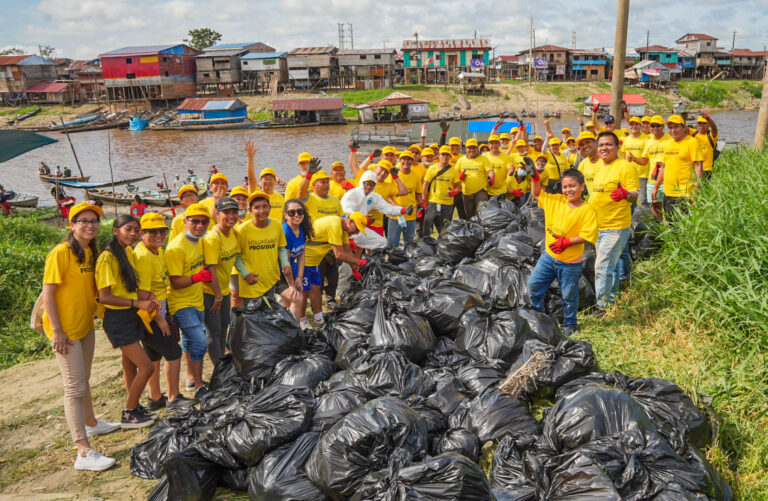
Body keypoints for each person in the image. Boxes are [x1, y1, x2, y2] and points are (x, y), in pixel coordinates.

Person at [43, 202, 119, 471]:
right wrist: (58, 332)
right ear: (71, 224)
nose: (90, 225)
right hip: (65, 331)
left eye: (94, 221)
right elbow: (48, 294)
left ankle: (92, 423)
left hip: (85, 325)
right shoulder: (60, 253)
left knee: (84, 379)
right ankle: (83, 452)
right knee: (74, 387)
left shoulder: (90, 252)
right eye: (83, 221)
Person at [95, 215, 159, 429]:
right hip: (117, 318)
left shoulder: (128, 252)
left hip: (129, 315)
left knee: (130, 364)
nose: (132, 234)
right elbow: (104, 297)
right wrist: (136, 303)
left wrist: (146, 299)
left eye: (136, 230)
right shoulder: (107, 257)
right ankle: (129, 413)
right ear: (115, 230)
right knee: (147, 366)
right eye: (128, 229)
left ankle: (135, 405)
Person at [134, 213, 194, 411]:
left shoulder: (155, 251)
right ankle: (173, 397)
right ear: (142, 233)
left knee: (154, 356)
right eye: (152, 232)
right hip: (150, 315)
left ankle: (155, 397)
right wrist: (160, 319)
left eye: (162, 231)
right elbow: (142, 295)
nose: (159, 235)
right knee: (173, 353)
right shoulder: (143, 257)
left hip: (158, 309)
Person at [528, 167, 598, 335]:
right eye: (565, 187)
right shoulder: (556, 201)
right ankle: (538, 315)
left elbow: (588, 235)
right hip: (549, 257)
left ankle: (570, 326)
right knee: (534, 285)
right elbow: (537, 194)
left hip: (570, 263)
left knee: (569, 296)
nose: (568, 190)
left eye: (572, 186)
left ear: (582, 187)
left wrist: (567, 242)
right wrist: (534, 178)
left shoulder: (587, 210)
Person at [165, 203, 213, 399]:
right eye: (195, 221)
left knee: (188, 341)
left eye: (204, 222)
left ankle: (191, 378)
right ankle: (200, 385)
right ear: (185, 222)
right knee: (200, 342)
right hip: (180, 302)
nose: (200, 226)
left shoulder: (202, 241)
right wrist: (198, 278)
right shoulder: (176, 248)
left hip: (197, 299)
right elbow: (175, 282)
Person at [590, 132, 640, 311]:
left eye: (608, 145)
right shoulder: (599, 168)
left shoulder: (625, 167)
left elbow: (635, 194)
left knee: (602, 267)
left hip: (616, 227)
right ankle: (613, 298)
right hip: (599, 227)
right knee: (610, 266)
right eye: (601, 145)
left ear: (617, 147)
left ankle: (602, 307)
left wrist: (626, 194)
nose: (604, 148)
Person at [304, 213, 368, 324]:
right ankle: (301, 321)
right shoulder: (335, 225)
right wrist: (359, 261)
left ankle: (318, 318)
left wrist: (355, 270)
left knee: (316, 288)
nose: (357, 232)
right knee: (303, 293)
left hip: (315, 261)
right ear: (350, 221)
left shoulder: (343, 229)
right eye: (357, 228)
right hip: (304, 260)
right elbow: (339, 254)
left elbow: (347, 252)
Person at [200, 197, 240, 367]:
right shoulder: (213, 238)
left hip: (223, 290)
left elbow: (236, 258)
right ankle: (218, 368)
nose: (230, 216)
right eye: (226, 212)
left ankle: (222, 363)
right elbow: (210, 269)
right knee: (214, 331)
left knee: (225, 327)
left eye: (234, 212)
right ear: (217, 214)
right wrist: (217, 295)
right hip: (209, 291)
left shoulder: (233, 233)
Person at [235, 190, 291, 308]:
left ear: (270, 208)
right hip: (251, 282)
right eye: (257, 208)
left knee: (268, 314)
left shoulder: (277, 225)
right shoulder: (242, 230)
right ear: (250, 210)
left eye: (265, 206)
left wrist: (285, 263)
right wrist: (246, 274)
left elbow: (281, 248)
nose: (262, 211)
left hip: (270, 279)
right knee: (253, 319)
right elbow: (236, 256)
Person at [341, 169, 409, 250]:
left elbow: (388, 209)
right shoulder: (352, 194)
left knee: (382, 242)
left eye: (372, 184)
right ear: (362, 182)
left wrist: (402, 210)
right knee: (349, 253)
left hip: (361, 229)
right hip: (347, 228)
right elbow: (345, 211)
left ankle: (372, 260)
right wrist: (362, 219)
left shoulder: (374, 197)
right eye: (367, 183)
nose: (369, 187)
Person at [651, 115, 704, 215]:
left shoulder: (692, 142)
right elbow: (663, 167)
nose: (673, 130)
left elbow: (698, 166)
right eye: (670, 128)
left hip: (685, 193)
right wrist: (656, 187)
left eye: (676, 127)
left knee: (686, 227)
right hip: (668, 193)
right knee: (671, 225)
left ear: (683, 127)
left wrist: (697, 188)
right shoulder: (667, 144)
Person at [280, 199, 313, 328]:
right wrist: (292, 285)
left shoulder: (301, 228)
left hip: (292, 268)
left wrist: (299, 276)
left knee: (289, 303)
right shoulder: (286, 232)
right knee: (297, 298)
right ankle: (294, 333)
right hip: (280, 271)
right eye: (292, 212)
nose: (296, 215)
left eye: (299, 211)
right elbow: (285, 263)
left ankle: (286, 330)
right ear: (285, 215)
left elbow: (301, 254)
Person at [421, 145, 460, 238]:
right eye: (443, 154)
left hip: (447, 203)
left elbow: (458, 186)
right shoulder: (432, 168)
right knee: (427, 222)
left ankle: (443, 243)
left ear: (450, 157)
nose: (445, 157)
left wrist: (454, 192)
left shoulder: (453, 170)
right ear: (439, 156)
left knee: (445, 225)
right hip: (434, 201)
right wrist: (423, 198)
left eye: (447, 155)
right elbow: (425, 184)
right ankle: (426, 241)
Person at [387, 150, 422, 248]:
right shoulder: (393, 174)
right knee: (393, 243)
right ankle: (391, 261)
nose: (406, 161)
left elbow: (418, 193)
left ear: (413, 161)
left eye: (409, 159)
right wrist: (396, 207)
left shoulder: (416, 176)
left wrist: (422, 204)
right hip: (395, 215)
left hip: (410, 214)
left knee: (409, 242)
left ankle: (408, 261)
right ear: (400, 160)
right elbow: (387, 195)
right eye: (404, 159)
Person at [636, 115, 671, 207]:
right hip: (652, 180)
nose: (655, 128)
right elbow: (644, 161)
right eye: (653, 126)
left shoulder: (670, 139)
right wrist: (634, 158)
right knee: (654, 206)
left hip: (668, 179)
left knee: (668, 207)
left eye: (658, 126)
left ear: (663, 127)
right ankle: (657, 221)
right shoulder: (648, 142)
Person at [455, 138, 492, 219]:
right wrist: (459, 175)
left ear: (477, 148)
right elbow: (455, 173)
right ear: (465, 149)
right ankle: (472, 230)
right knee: (470, 216)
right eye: (469, 148)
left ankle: (483, 229)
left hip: (481, 191)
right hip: (467, 193)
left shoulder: (484, 159)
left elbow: (490, 170)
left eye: (474, 148)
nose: (472, 150)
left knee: (483, 213)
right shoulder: (461, 160)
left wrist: (492, 177)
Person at [621, 116, 650, 206]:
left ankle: (646, 219)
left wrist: (634, 158)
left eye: (636, 124)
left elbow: (647, 158)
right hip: (629, 174)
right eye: (632, 124)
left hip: (642, 174)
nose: (634, 126)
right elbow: (623, 156)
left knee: (643, 201)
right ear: (629, 126)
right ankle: (633, 219)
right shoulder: (626, 140)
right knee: (630, 200)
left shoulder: (647, 139)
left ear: (640, 126)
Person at [692, 114, 719, 180]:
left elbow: (714, 128)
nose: (702, 126)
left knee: (705, 188)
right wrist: (683, 118)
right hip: (693, 168)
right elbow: (683, 129)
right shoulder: (693, 133)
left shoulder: (711, 135)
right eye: (700, 123)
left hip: (706, 169)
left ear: (708, 125)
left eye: (704, 123)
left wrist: (709, 119)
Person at [483, 134, 510, 200]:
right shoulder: (484, 156)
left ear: (499, 144)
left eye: (496, 143)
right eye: (491, 143)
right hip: (487, 191)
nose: (494, 145)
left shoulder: (505, 156)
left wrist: (511, 171)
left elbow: (510, 171)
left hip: (502, 191)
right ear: (488, 145)